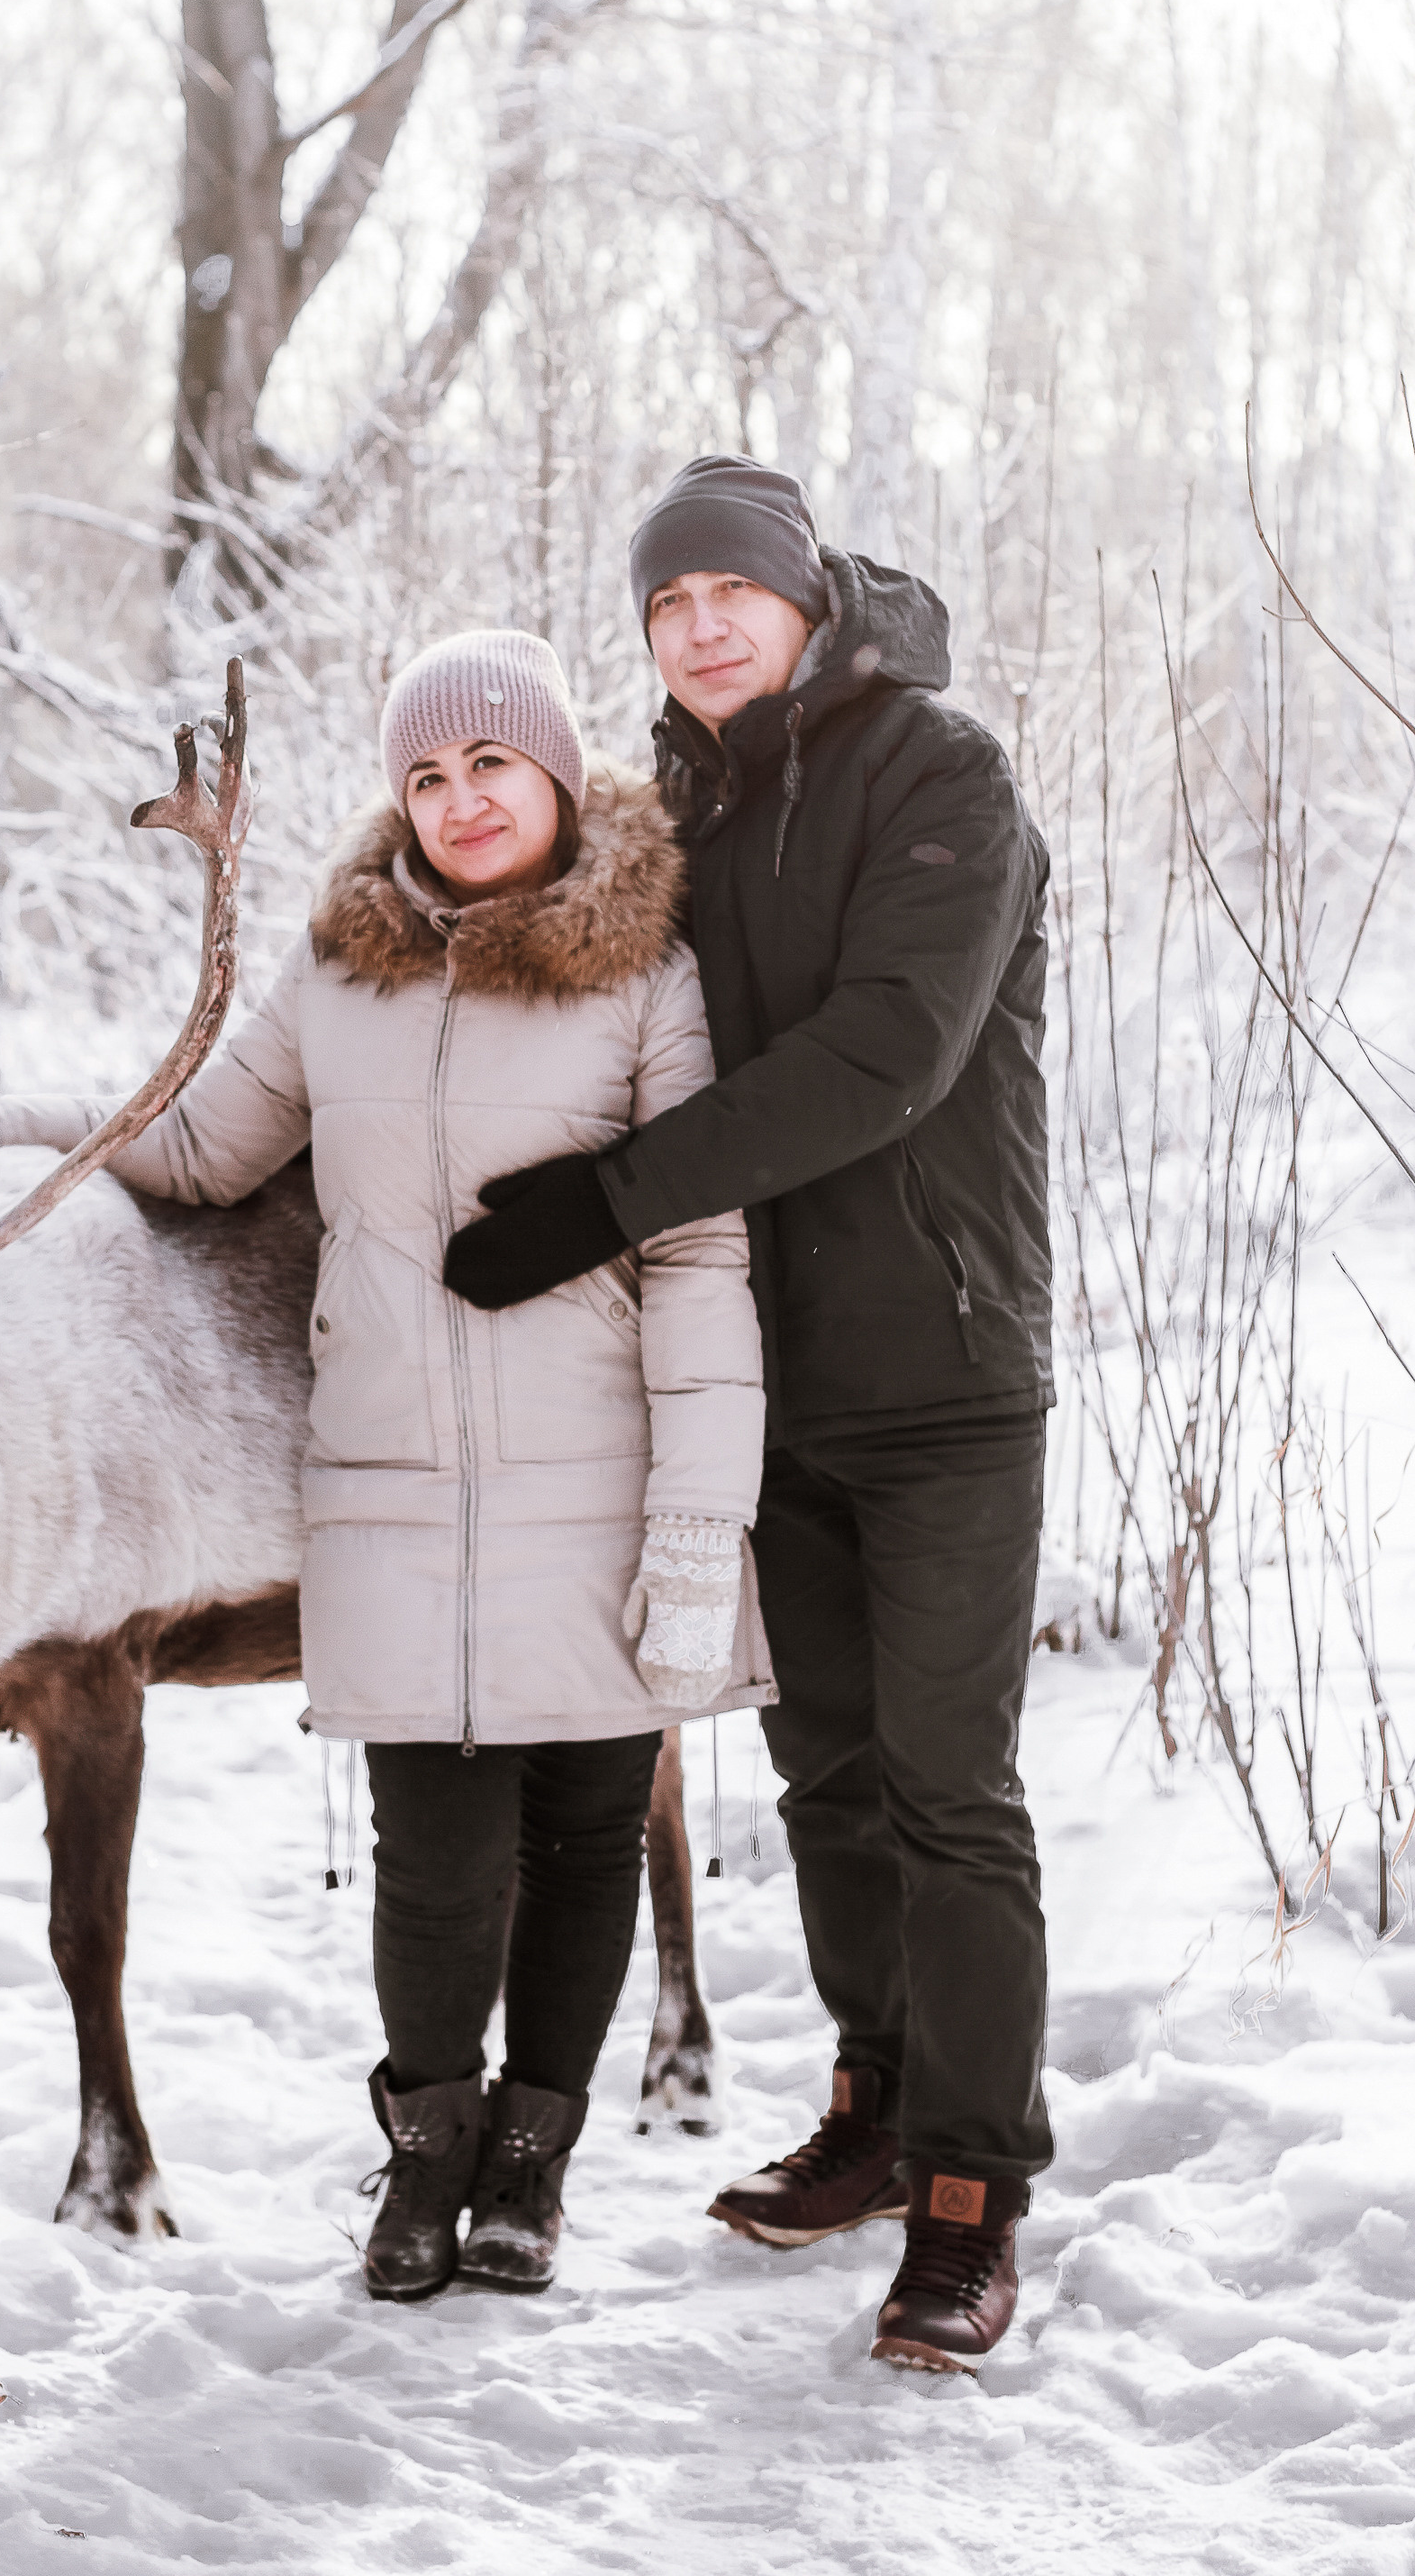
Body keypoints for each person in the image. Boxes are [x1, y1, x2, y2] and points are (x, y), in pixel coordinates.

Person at [0, 629, 769, 2302]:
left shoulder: (651, 974)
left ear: (555, 773)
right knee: (433, 1858)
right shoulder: (341, 969)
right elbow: (206, 1151)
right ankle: (427, 2158)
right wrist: (19, 1129)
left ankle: (529, 2176)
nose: (461, 800)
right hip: (392, 1489)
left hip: (597, 1483)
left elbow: (704, 1255)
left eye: (492, 766)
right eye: (427, 775)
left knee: (584, 1840)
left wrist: (700, 1526)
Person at [442, 458, 1054, 2376]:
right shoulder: (681, 814)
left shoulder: (942, 775)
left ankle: (971, 2193)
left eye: (731, 593)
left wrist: (608, 1201)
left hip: (946, 1376)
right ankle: (877, 2108)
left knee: (951, 1794)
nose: (700, 628)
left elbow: (888, 1055)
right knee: (829, 1784)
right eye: (666, 606)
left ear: (808, 602)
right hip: (764, 1388)